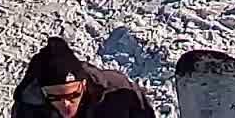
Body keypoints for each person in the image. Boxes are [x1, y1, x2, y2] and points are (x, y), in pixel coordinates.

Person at [10, 36, 147, 117]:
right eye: (54, 97)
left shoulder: (118, 90)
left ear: (83, 84)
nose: (66, 104)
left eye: (73, 95)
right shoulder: (29, 109)